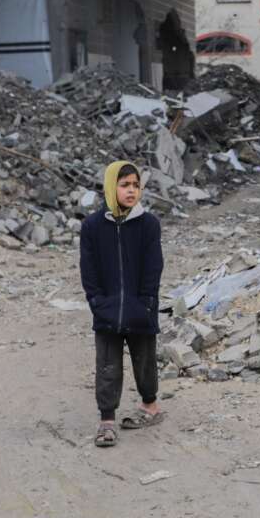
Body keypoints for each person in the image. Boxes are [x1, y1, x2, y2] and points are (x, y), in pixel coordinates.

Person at [79, 161, 165, 447]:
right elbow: (88, 270)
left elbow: (154, 267)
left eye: (136, 185)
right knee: (107, 365)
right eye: (125, 184)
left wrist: (148, 303)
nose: (131, 191)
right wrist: (96, 302)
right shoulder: (92, 226)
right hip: (106, 310)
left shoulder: (148, 224)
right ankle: (107, 420)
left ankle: (150, 406)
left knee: (145, 361)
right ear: (111, 186)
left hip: (141, 308)